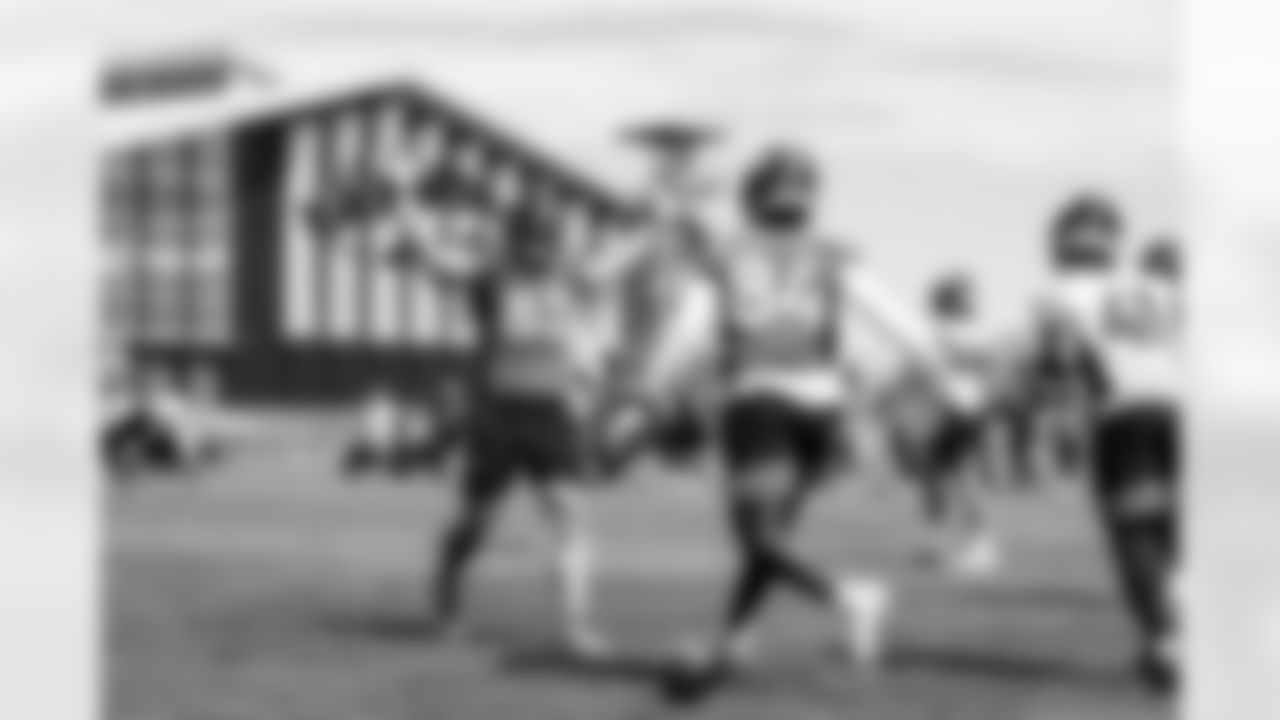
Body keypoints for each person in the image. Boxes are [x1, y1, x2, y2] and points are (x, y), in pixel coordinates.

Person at [636, 146, 980, 698]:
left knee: (758, 538)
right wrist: (947, 383)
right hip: (823, 409)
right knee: (770, 540)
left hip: (760, 399)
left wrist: (651, 385)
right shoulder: (833, 253)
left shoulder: (725, 254)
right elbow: (897, 320)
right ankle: (732, 640)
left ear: (753, 197)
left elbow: (688, 328)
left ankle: (850, 597)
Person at [413, 199, 619, 656]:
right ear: (515, 240)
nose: (539, 250)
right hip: (498, 414)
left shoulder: (570, 279)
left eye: (546, 240)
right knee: (475, 522)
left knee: (570, 515)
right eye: (531, 240)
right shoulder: (491, 279)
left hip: (551, 412)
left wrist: (661, 216)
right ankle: (446, 599)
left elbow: (614, 262)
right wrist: (412, 216)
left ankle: (576, 627)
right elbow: (440, 261)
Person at [1032, 196, 1184, 691]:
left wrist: (1057, 424)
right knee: (1175, 533)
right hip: (1186, 411)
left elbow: (1058, 364)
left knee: (1135, 534)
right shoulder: (1159, 285)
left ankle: (1168, 641)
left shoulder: (1060, 292)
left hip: (1126, 413)